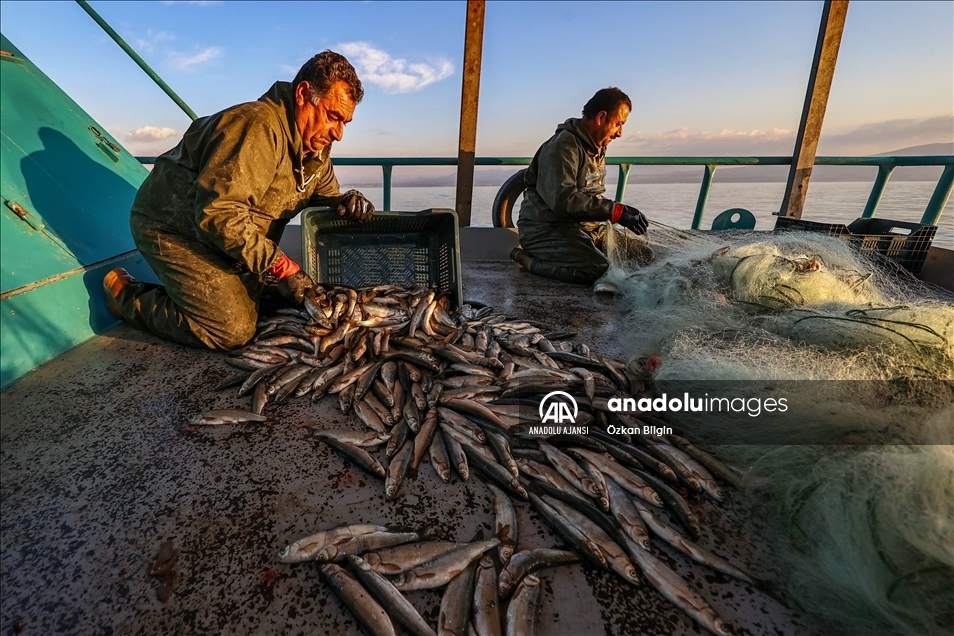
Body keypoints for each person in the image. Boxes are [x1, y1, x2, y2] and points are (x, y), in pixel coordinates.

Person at [103, 51, 373, 350]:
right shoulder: (255, 126)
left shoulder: (315, 149)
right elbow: (219, 215)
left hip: (230, 242)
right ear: (303, 94)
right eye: (333, 116)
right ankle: (126, 296)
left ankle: (202, 293)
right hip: (176, 231)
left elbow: (322, 191)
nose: (338, 133)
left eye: (345, 122)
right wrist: (282, 268)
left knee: (293, 303)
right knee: (233, 331)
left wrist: (345, 200)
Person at [510, 87, 650, 284]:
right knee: (600, 270)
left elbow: (588, 195)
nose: (620, 133)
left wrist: (619, 209)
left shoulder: (596, 147)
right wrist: (616, 212)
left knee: (644, 256)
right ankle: (528, 260)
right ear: (601, 117)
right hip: (546, 230)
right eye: (618, 124)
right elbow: (563, 201)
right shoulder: (564, 146)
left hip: (586, 230)